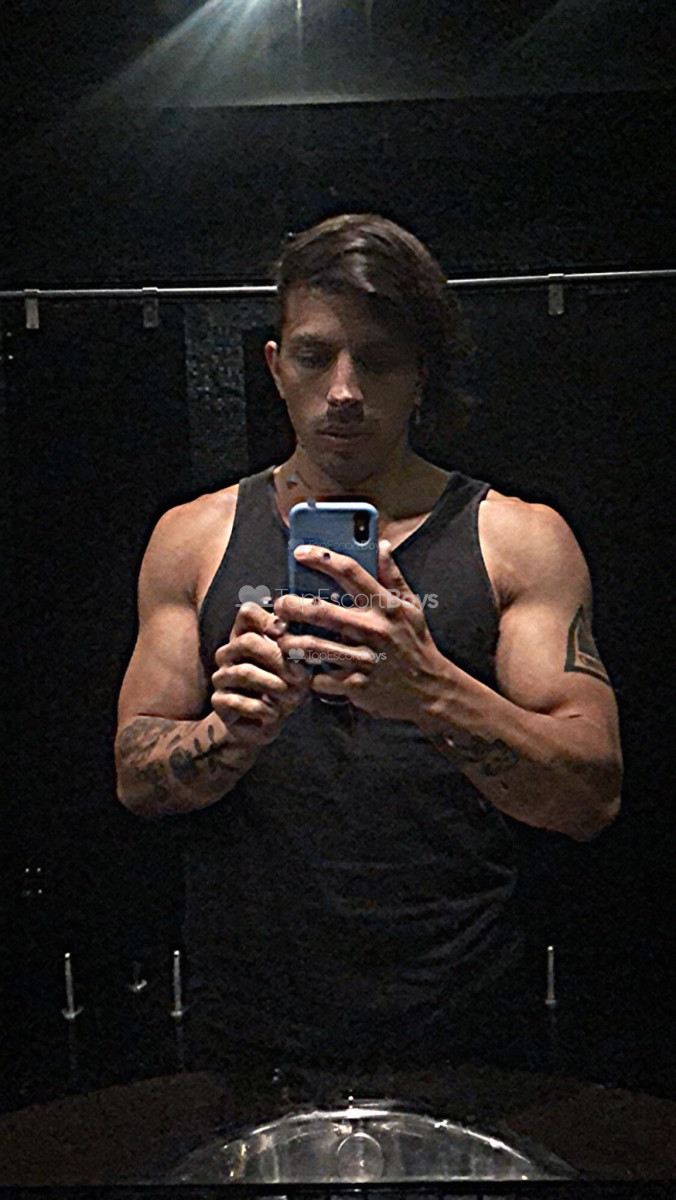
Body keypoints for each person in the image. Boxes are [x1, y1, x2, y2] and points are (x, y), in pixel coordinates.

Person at [115, 213, 622, 1075]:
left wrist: (430, 690)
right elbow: (135, 778)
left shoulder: (518, 540)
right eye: (315, 356)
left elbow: (591, 797)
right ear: (275, 367)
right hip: (250, 1030)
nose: (345, 391)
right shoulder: (192, 539)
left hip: (466, 1028)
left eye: (378, 360)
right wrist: (227, 736)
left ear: (420, 374)